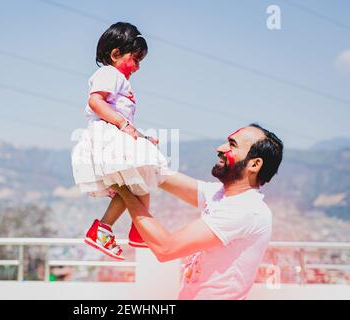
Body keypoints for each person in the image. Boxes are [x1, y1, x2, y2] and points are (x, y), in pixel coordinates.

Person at [111, 124, 284, 299]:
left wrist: (124, 191)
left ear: (254, 164)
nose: (220, 149)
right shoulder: (221, 195)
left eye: (232, 145)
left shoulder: (244, 210)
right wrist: (137, 151)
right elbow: (159, 176)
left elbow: (166, 248)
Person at [71, 22, 171, 260]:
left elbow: (120, 115)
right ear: (115, 54)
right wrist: (125, 126)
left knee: (137, 186)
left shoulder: (119, 78)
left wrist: (140, 137)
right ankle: (137, 229)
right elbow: (96, 102)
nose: (137, 67)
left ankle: (116, 230)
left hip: (114, 135)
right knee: (141, 183)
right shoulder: (110, 73)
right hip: (108, 137)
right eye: (135, 59)